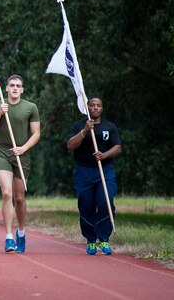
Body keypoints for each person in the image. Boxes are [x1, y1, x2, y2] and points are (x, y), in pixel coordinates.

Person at [0, 74, 40, 253]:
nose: (15, 88)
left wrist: (23, 149)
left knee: (19, 198)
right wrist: (0, 113)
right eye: (12, 85)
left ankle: (21, 232)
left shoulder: (30, 107)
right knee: (7, 194)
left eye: (18, 86)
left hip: (21, 155)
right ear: (6, 88)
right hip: (2, 152)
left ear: (22, 89)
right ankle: (8, 238)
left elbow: (36, 134)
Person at [66, 97, 122, 255]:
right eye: (92, 105)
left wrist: (105, 155)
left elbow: (117, 147)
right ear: (87, 107)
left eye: (98, 106)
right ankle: (91, 240)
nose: (95, 108)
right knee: (86, 205)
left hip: (105, 170)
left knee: (106, 200)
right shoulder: (78, 126)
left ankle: (104, 239)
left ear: (102, 108)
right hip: (84, 171)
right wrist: (84, 131)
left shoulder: (109, 127)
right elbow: (70, 145)